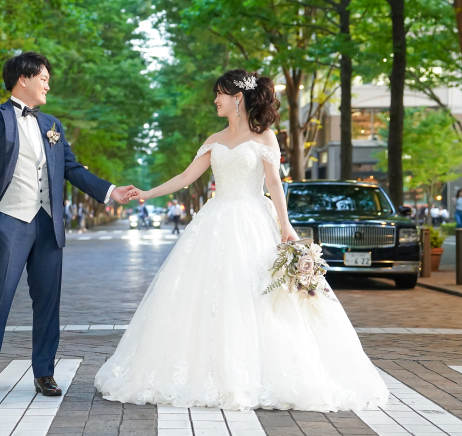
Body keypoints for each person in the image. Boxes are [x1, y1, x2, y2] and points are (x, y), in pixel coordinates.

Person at [95, 69, 388, 411]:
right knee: (207, 293)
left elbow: (275, 185)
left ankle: (259, 372)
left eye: (219, 93)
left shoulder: (265, 138)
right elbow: (186, 177)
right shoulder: (214, 139)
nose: (214, 100)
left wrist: (286, 225)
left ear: (238, 98)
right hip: (215, 221)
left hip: (252, 221)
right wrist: (146, 192)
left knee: (257, 296)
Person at [0, 51, 136, 400]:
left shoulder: (51, 125)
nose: (47, 86)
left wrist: (111, 191)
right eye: (43, 79)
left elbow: (72, 168)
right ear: (22, 79)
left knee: (48, 302)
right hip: (7, 222)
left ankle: (45, 373)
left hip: (48, 224)